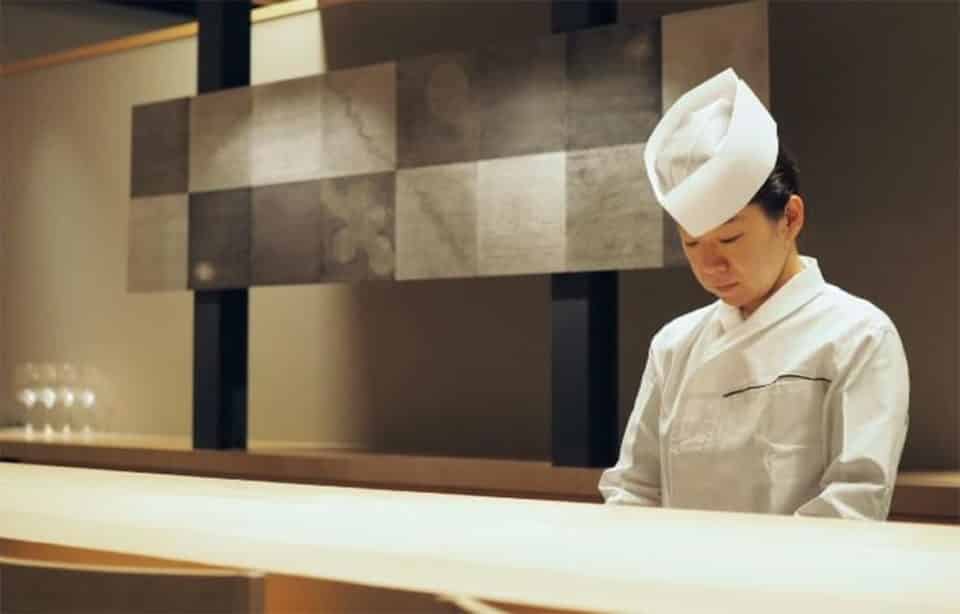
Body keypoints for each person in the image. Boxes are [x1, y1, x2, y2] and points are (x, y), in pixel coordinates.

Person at [598, 68, 909, 520]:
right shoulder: (674, 345)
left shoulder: (859, 336)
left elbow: (853, 502)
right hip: (674, 564)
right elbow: (634, 488)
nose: (710, 265)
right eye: (692, 244)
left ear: (791, 218)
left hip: (799, 568)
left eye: (730, 239)